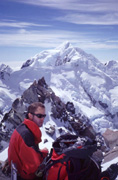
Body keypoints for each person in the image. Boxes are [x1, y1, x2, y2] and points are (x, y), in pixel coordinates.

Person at [8, 102, 48, 180]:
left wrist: (42, 153)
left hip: (19, 169)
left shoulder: (24, 128)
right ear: (30, 115)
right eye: (39, 116)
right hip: (23, 176)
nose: (42, 119)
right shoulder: (26, 135)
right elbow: (33, 166)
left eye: (44, 116)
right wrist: (44, 155)